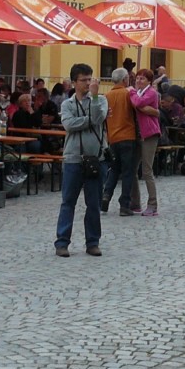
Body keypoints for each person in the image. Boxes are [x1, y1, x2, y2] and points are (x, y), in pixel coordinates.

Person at [54, 63, 108, 258]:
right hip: (73, 159)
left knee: (93, 203)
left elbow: (99, 117)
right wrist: (88, 120)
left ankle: (92, 242)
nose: (88, 83)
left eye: (89, 79)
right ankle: (62, 243)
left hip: (96, 158)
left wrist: (94, 98)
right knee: (68, 202)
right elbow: (69, 125)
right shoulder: (67, 104)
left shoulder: (100, 99)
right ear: (74, 82)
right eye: (83, 80)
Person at [101, 67, 140, 216]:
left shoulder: (107, 96)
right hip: (127, 136)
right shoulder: (128, 93)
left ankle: (106, 196)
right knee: (128, 172)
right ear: (125, 79)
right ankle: (125, 205)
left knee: (114, 169)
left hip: (113, 138)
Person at [130, 68, 161, 216]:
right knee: (133, 169)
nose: (138, 80)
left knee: (147, 171)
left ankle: (152, 204)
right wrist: (144, 108)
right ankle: (135, 202)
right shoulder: (139, 92)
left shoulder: (151, 92)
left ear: (149, 81)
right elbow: (139, 106)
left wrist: (132, 94)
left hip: (149, 134)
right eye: (137, 78)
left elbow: (139, 102)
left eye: (142, 78)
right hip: (138, 134)